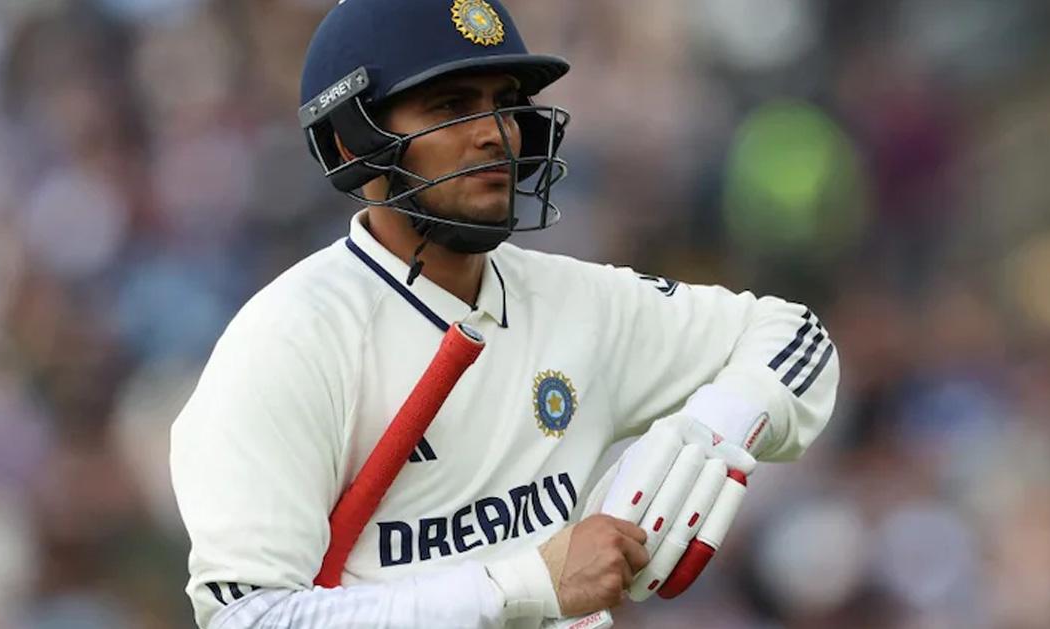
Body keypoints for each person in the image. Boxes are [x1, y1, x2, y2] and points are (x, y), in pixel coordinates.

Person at [169, 1, 839, 628]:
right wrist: (526, 584)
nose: (495, 134)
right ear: (352, 142)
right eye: (452, 106)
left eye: (506, 104)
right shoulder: (287, 341)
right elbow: (249, 617)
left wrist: (713, 430)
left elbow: (794, 336)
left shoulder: (578, 303)